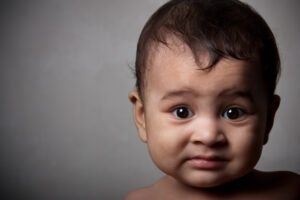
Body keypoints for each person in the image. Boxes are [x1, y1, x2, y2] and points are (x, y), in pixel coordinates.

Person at [125, 0, 300, 199]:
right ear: (142, 117)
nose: (208, 136)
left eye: (233, 113)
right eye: (182, 112)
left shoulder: (290, 191)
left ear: (268, 120)